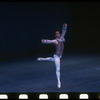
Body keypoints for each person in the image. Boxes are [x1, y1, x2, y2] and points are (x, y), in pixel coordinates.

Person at [37, 23, 67, 88]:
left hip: (60, 56)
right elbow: (50, 41)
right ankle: (59, 82)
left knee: (52, 60)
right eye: (56, 33)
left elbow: (64, 31)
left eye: (58, 33)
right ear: (55, 35)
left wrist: (64, 26)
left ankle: (42, 59)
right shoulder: (55, 41)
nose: (58, 34)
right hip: (57, 56)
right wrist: (44, 41)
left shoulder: (62, 38)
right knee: (58, 69)